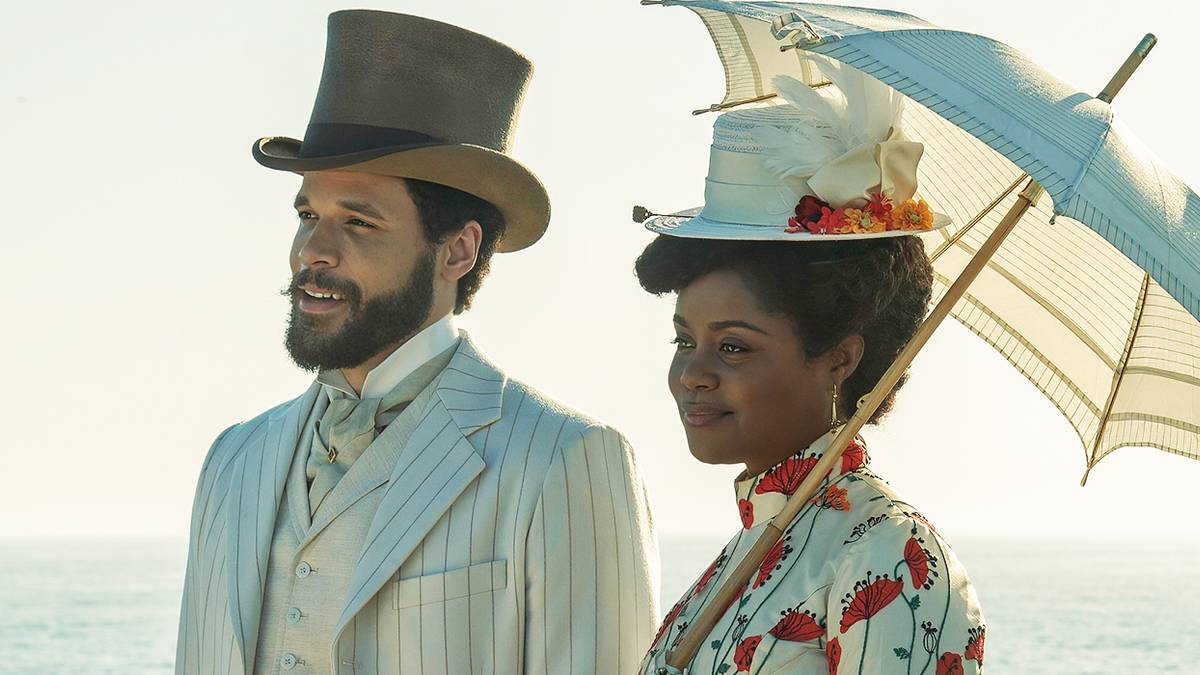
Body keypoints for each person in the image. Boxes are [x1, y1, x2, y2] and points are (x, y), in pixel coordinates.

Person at [174, 10, 658, 675]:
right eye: (309, 215)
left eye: (358, 222)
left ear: (457, 248)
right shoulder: (234, 459)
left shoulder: (565, 459)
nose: (314, 251)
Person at [634, 64, 985, 674]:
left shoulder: (888, 553)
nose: (692, 374)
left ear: (840, 359)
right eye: (684, 340)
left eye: (734, 347)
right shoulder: (746, 551)